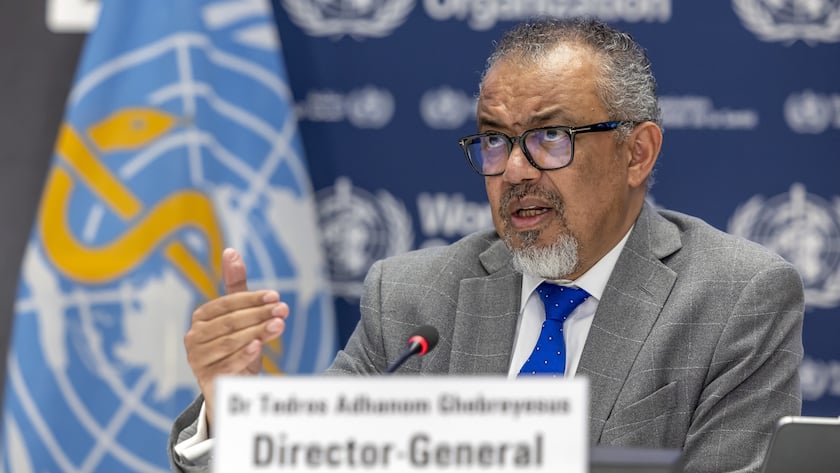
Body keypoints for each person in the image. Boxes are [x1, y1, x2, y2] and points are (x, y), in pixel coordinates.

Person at [168, 17, 804, 473]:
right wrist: (234, 414)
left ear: (636, 153)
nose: (516, 171)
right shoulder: (412, 297)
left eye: (551, 137)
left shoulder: (734, 299)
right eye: (495, 141)